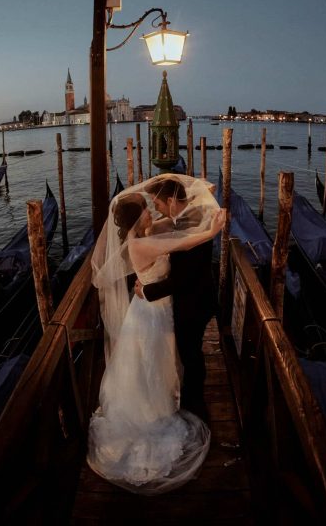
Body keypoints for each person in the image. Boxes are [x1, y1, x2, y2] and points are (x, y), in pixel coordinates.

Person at [89, 176, 226, 495]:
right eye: (147, 209)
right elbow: (184, 243)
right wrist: (213, 231)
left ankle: (168, 400)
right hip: (154, 312)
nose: (153, 210)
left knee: (161, 359)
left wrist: (199, 194)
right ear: (139, 219)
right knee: (155, 361)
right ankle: (158, 410)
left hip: (156, 307)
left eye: (155, 204)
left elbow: (171, 222)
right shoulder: (143, 242)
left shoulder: (146, 232)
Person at [134, 175, 216, 420]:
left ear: (170, 200)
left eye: (156, 203)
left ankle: (196, 407)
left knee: (191, 355)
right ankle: (188, 397)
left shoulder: (191, 225)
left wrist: (146, 291)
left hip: (194, 303)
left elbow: (182, 280)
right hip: (195, 298)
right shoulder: (186, 217)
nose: (155, 209)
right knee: (188, 353)